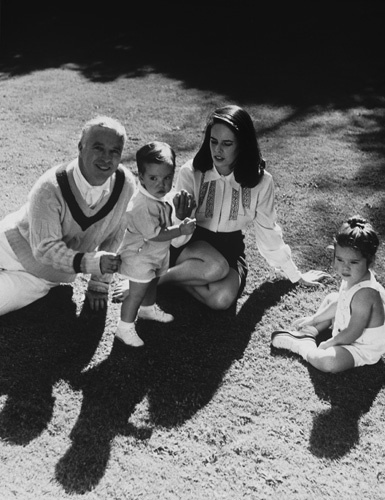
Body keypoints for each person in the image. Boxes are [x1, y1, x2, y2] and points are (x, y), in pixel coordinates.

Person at [151, 104, 327, 310]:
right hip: (191, 242)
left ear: (242, 145)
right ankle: (152, 282)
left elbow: (267, 231)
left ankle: (180, 279)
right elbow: (179, 238)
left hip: (231, 247)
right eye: (213, 141)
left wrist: (294, 275)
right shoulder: (191, 172)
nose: (218, 150)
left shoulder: (262, 182)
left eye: (227, 143)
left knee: (222, 300)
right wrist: (180, 217)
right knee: (216, 267)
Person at [0, 115, 136, 316]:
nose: (106, 158)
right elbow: (45, 249)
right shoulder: (50, 186)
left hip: (42, 278)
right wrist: (90, 263)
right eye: (98, 148)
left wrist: (99, 283)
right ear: (81, 147)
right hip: (7, 246)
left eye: (114, 151)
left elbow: (115, 235)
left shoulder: (125, 184)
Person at [271, 216, 385, 373]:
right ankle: (310, 332)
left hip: (359, 346)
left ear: (370, 262)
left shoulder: (365, 294)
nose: (345, 267)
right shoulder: (354, 277)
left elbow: (354, 332)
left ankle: (303, 346)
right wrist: (314, 319)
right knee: (332, 298)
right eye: (339, 259)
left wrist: (328, 343)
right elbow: (341, 303)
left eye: (353, 262)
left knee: (329, 362)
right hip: (346, 329)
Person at [115, 141, 196, 347]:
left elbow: (166, 220)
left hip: (155, 255)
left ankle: (148, 310)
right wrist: (181, 229)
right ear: (140, 177)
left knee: (152, 283)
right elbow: (155, 234)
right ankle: (124, 328)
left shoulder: (163, 196)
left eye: (167, 178)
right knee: (136, 293)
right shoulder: (141, 205)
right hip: (139, 256)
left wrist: (179, 216)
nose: (162, 184)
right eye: (153, 178)